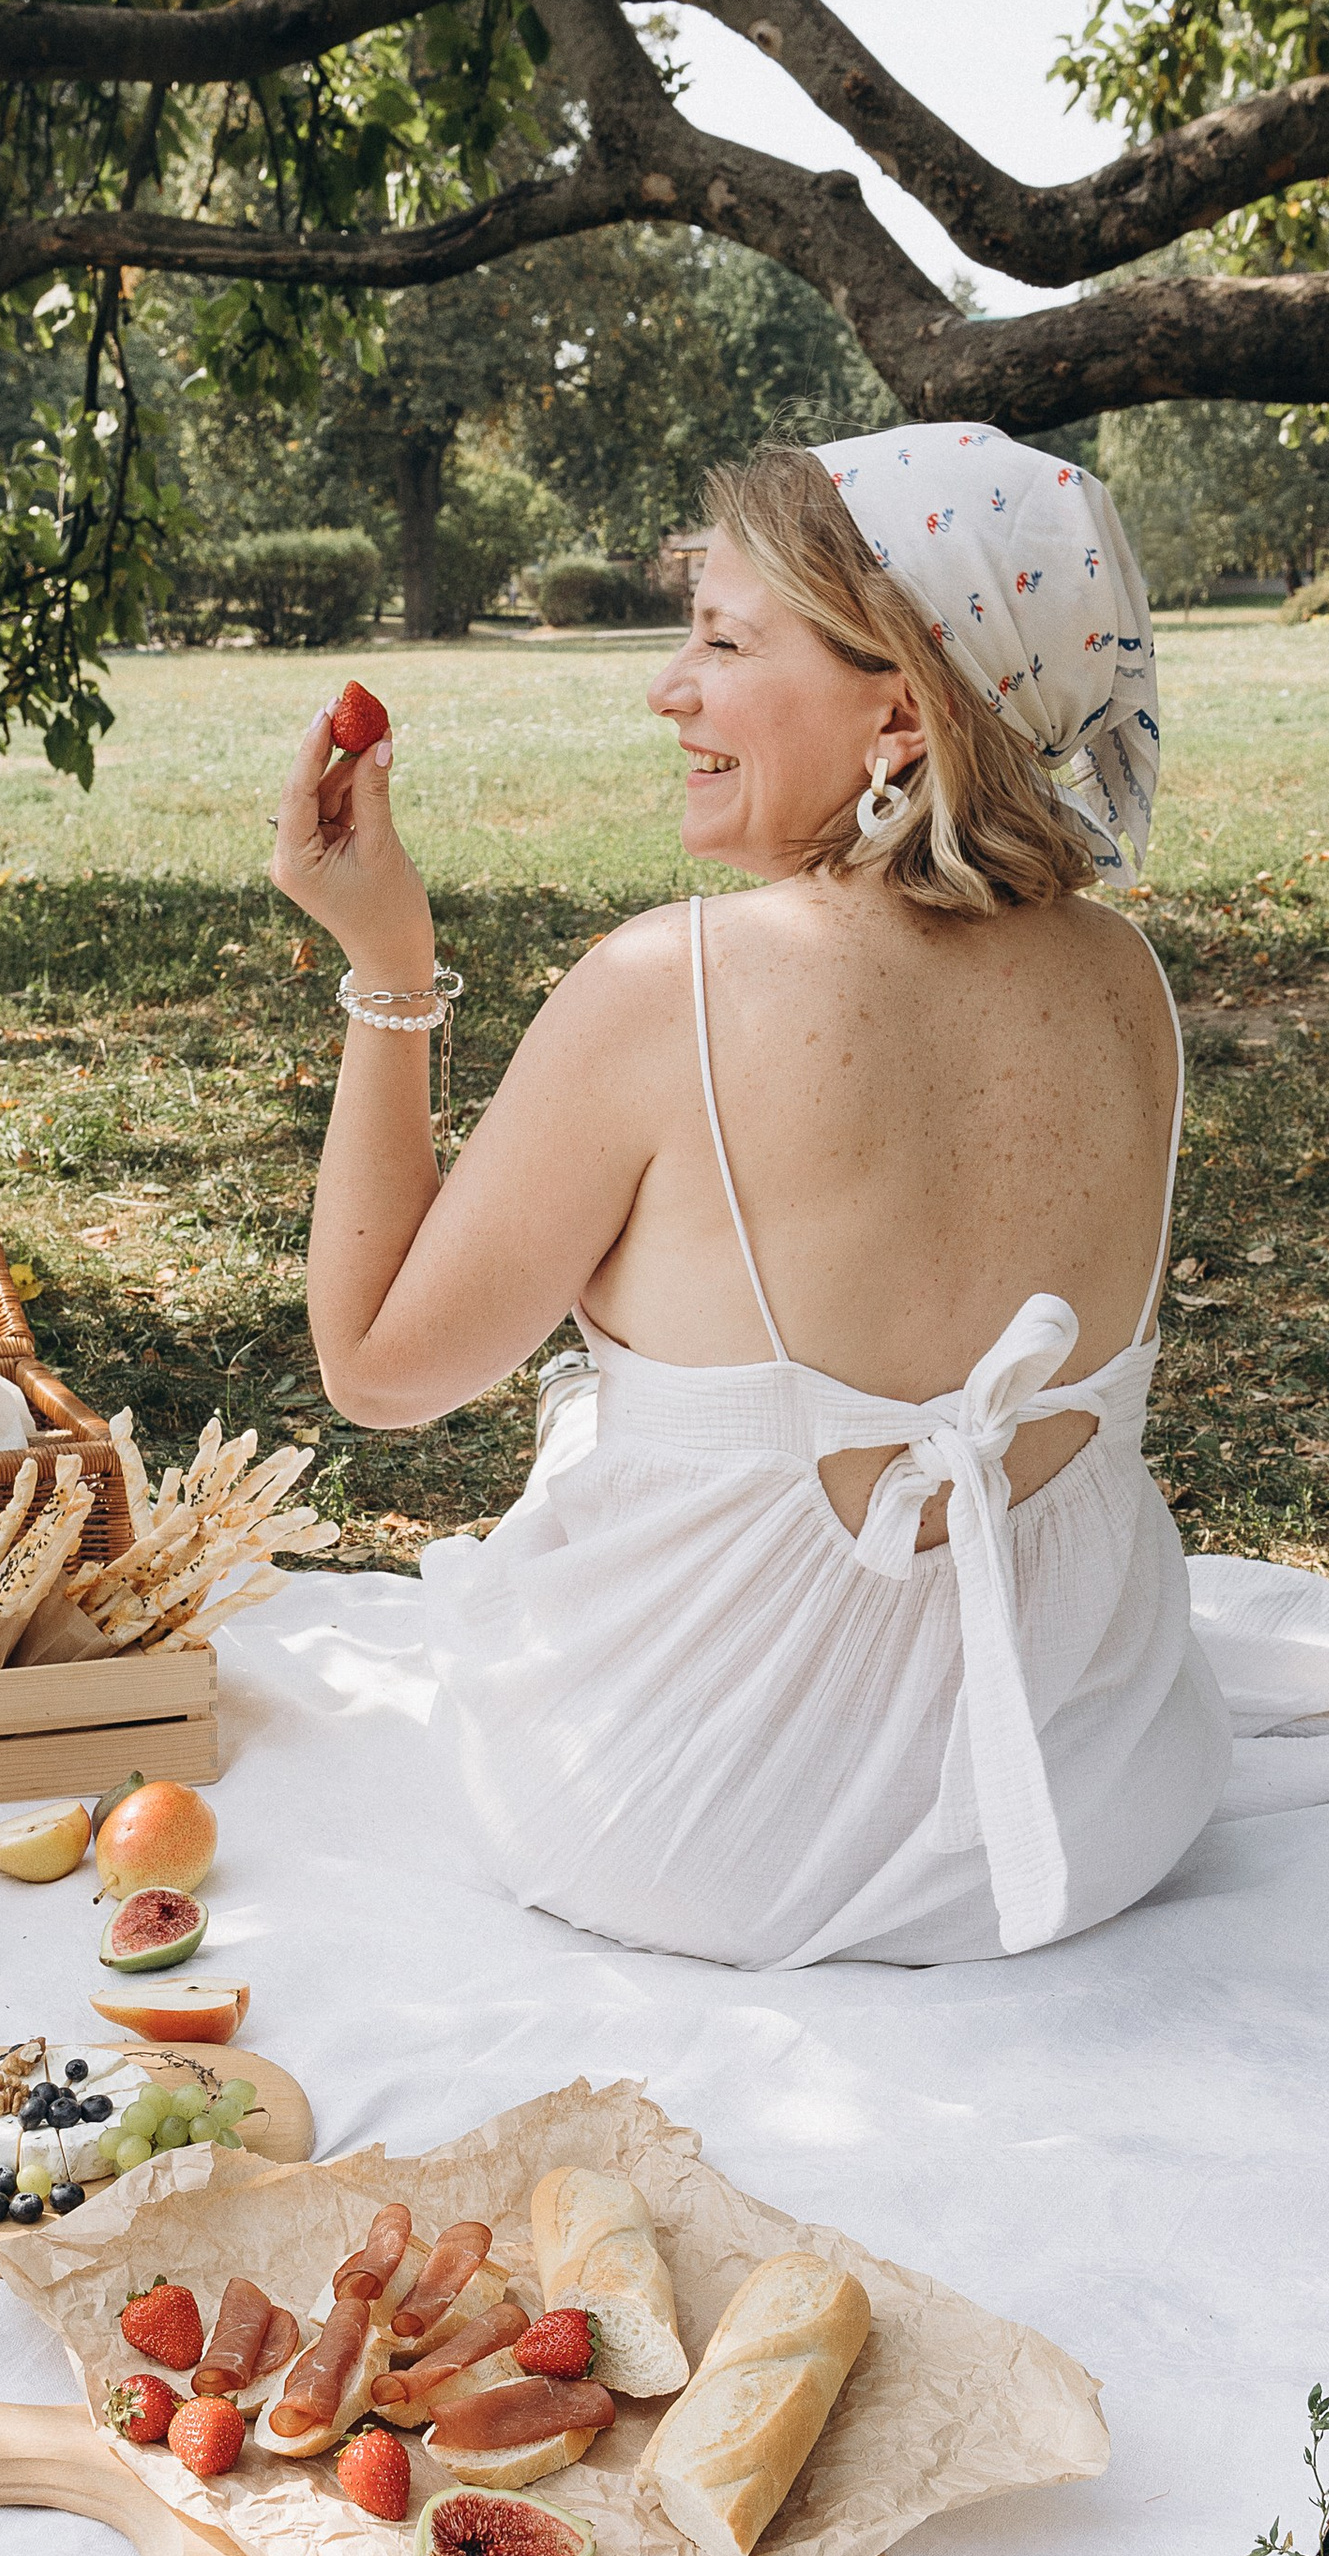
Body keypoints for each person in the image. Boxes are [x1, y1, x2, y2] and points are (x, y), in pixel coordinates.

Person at [271, 419, 1231, 1969]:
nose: (670, 684)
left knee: (592, 1424)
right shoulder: (1126, 981)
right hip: (1083, 1795)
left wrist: (390, 971)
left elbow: (375, 1367)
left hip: (688, 1832)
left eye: (722, 638)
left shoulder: (674, 988)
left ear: (903, 712)